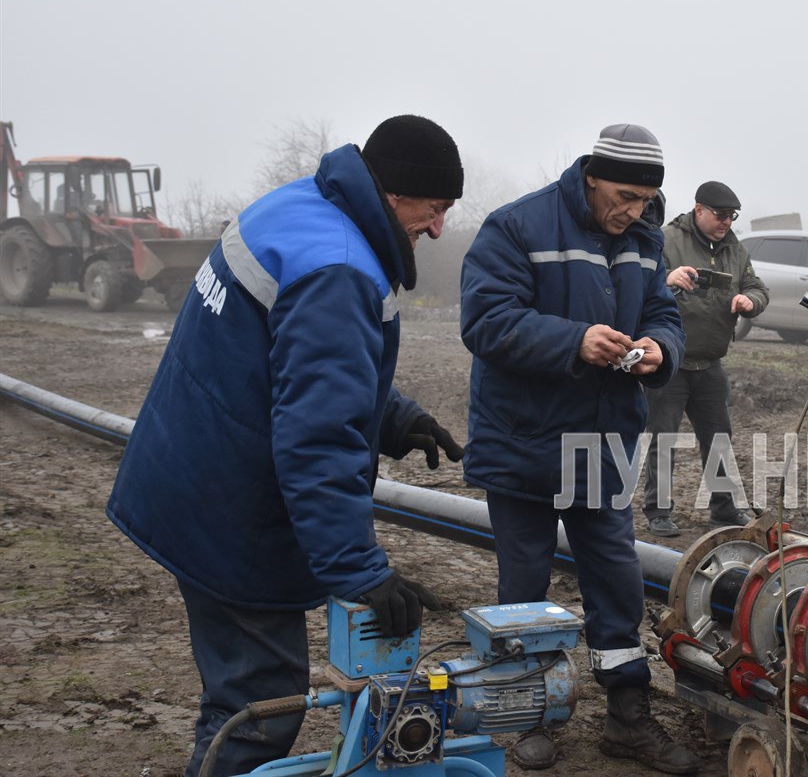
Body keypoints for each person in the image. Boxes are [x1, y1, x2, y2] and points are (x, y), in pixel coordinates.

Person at [106, 115, 467, 777]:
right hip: (228, 510)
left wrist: (394, 418)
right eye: (435, 208)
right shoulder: (341, 268)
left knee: (243, 688)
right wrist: (361, 572)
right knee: (259, 700)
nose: (438, 226)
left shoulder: (300, 208)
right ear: (395, 194)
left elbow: (286, 365)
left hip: (189, 471)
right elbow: (317, 437)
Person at [460, 124, 699, 775]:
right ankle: (524, 713)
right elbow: (484, 321)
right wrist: (573, 341)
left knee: (617, 579)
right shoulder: (516, 227)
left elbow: (662, 311)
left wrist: (658, 349)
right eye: (624, 195)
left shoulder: (644, 236)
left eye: (647, 198)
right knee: (525, 583)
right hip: (525, 445)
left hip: (604, 443)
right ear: (590, 175)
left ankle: (627, 714)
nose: (633, 210)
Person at [641, 180, 769, 536]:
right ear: (699, 210)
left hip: (710, 364)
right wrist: (667, 278)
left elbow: (757, 287)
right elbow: (640, 284)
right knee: (662, 438)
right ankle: (658, 511)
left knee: (719, 439)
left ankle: (725, 508)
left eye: (732, 216)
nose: (727, 221)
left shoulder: (734, 249)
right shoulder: (666, 240)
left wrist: (750, 302)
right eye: (720, 215)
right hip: (670, 362)